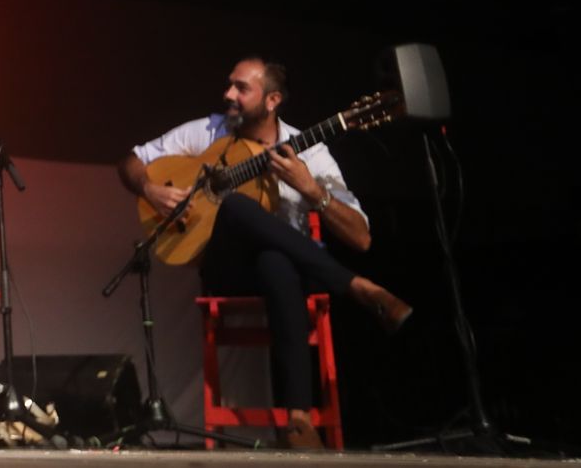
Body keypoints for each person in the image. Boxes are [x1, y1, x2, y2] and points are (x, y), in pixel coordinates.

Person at [117, 57, 412, 448]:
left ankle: (298, 422)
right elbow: (131, 162)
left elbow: (362, 239)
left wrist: (313, 192)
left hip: (290, 273)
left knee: (276, 263)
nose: (228, 95)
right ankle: (359, 288)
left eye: (241, 88)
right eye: (230, 85)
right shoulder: (208, 130)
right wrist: (151, 190)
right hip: (225, 268)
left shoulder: (312, 153)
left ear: (272, 100)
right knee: (237, 207)